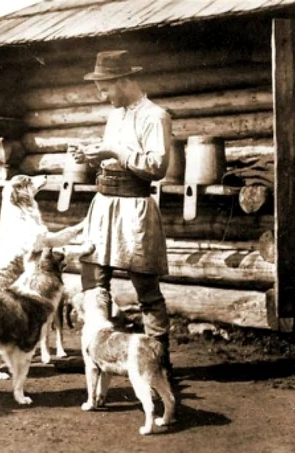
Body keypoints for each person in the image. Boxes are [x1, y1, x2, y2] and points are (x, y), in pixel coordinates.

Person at [71, 50, 173, 370]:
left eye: (106, 88)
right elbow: (111, 157)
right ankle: (99, 355)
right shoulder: (115, 115)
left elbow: (156, 167)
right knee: (94, 283)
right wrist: (90, 157)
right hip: (104, 207)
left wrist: (116, 149)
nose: (102, 96)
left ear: (124, 80)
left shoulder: (155, 116)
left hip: (134, 209)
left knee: (146, 290)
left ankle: (158, 362)